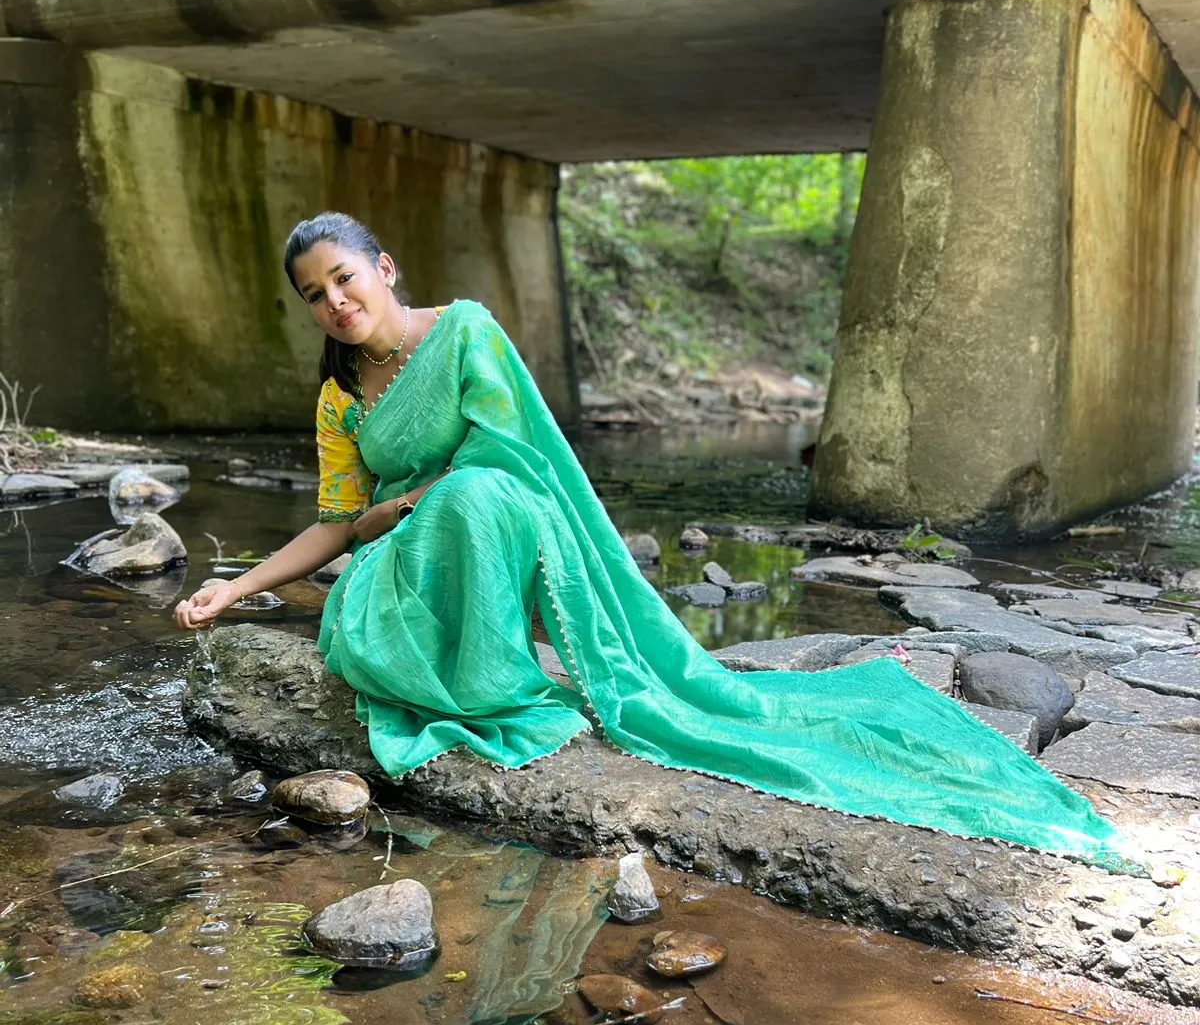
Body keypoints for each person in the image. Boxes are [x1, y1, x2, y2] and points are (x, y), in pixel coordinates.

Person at [174, 211, 1129, 869]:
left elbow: (518, 460)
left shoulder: (464, 334)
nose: (334, 301)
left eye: (344, 277)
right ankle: (445, 672)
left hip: (480, 528)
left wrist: (440, 495)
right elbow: (340, 520)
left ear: (382, 270)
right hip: (395, 561)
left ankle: (491, 677)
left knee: (478, 493)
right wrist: (238, 586)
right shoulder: (342, 399)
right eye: (313, 293)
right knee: (452, 504)